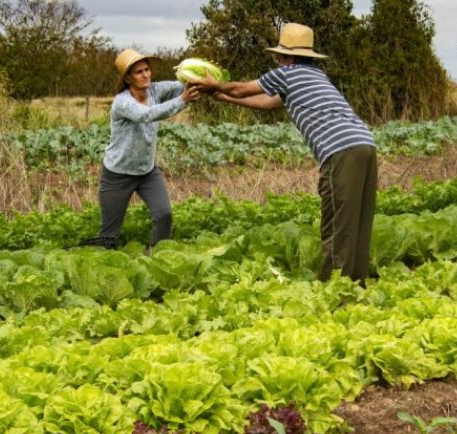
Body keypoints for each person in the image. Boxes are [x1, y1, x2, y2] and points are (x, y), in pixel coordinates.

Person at [192, 23, 377, 286]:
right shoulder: (314, 75)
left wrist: (216, 85)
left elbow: (241, 88)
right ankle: (357, 285)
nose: (278, 61)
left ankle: (337, 290)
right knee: (358, 219)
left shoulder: (288, 73)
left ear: (287, 57)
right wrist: (226, 98)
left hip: (341, 150)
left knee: (337, 223)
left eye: (279, 56)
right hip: (365, 144)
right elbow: (269, 103)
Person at [81, 48, 201, 250]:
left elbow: (181, 87)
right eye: (139, 72)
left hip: (146, 172)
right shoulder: (122, 102)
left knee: (164, 214)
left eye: (147, 69)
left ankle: (158, 257)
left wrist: (199, 79)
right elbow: (147, 114)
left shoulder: (155, 90)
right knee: (108, 237)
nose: (146, 75)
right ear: (128, 78)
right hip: (118, 174)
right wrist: (183, 101)